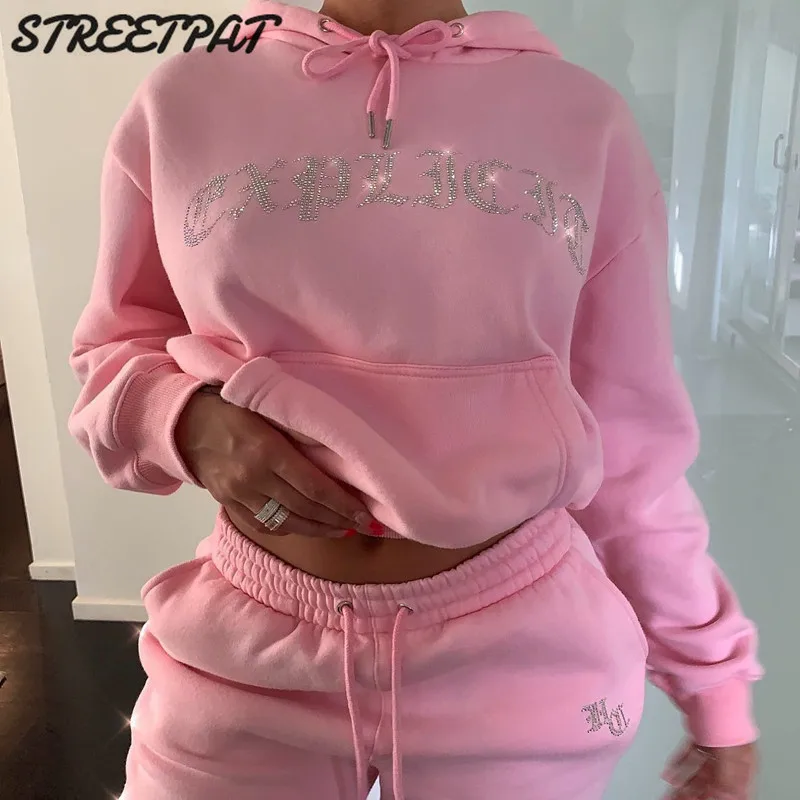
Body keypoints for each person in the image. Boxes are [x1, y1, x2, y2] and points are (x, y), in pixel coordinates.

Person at [68, 1, 762, 798]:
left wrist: (714, 687)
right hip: (244, 656)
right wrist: (183, 421)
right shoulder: (185, 99)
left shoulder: (582, 119)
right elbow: (112, 352)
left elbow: (635, 452)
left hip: (519, 666)